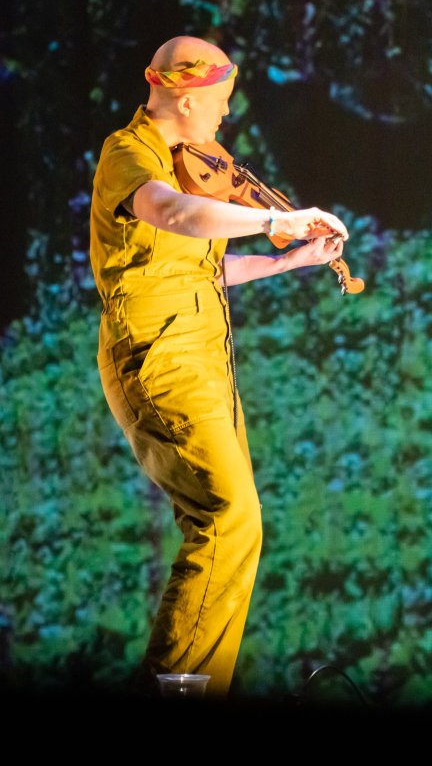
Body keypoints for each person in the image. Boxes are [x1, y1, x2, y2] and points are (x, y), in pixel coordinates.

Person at [89, 34, 349, 699]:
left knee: (237, 523)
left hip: (201, 355)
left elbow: (200, 268)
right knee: (227, 514)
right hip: (158, 357)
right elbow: (172, 211)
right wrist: (271, 218)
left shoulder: (184, 161)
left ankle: (195, 685)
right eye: (220, 103)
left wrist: (287, 259)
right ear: (184, 96)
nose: (224, 118)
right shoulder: (131, 154)